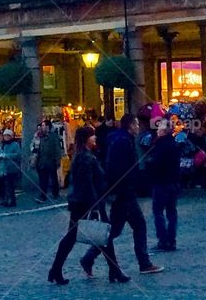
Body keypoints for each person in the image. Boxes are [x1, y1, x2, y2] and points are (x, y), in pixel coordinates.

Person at [82, 114, 163, 276]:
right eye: (136, 124)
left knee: (116, 229)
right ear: (130, 126)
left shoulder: (116, 139)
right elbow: (119, 169)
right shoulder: (123, 142)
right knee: (134, 226)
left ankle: (89, 258)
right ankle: (144, 263)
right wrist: (123, 189)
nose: (139, 127)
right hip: (124, 193)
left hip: (122, 192)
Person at [49, 126, 128, 285]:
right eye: (92, 136)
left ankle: (114, 270)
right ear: (86, 138)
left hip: (84, 202)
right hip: (88, 203)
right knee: (99, 236)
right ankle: (114, 271)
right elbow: (86, 184)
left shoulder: (83, 155)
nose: (95, 138)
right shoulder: (85, 157)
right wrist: (95, 207)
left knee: (95, 236)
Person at [150, 118, 181, 252]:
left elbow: (157, 165)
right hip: (173, 182)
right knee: (171, 212)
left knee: (158, 212)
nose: (157, 130)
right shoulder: (173, 144)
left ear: (164, 131)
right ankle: (172, 240)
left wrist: (150, 166)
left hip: (161, 182)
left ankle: (163, 240)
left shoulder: (160, 145)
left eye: (159, 127)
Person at [34, 121, 62, 203]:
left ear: (48, 126)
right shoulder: (39, 136)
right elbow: (34, 146)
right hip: (41, 161)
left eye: (43, 125)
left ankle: (55, 193)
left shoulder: (53, 136)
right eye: (42, 125)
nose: (42, 127)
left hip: (51, 160)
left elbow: (57, 148)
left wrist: (57, 159)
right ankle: (43, 195)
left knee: (54, 178)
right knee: (43, 179)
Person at [0, 129, 22, 207]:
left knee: (10, 186)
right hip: (3, 168)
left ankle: (11, 200)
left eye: (8, 135)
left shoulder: (15, 144)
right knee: (5, 186)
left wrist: (7, 155)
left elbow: (18, 155)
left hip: (12, 168)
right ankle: (7, 200)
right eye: (5, 135)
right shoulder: (2, 145)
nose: (6, 137)